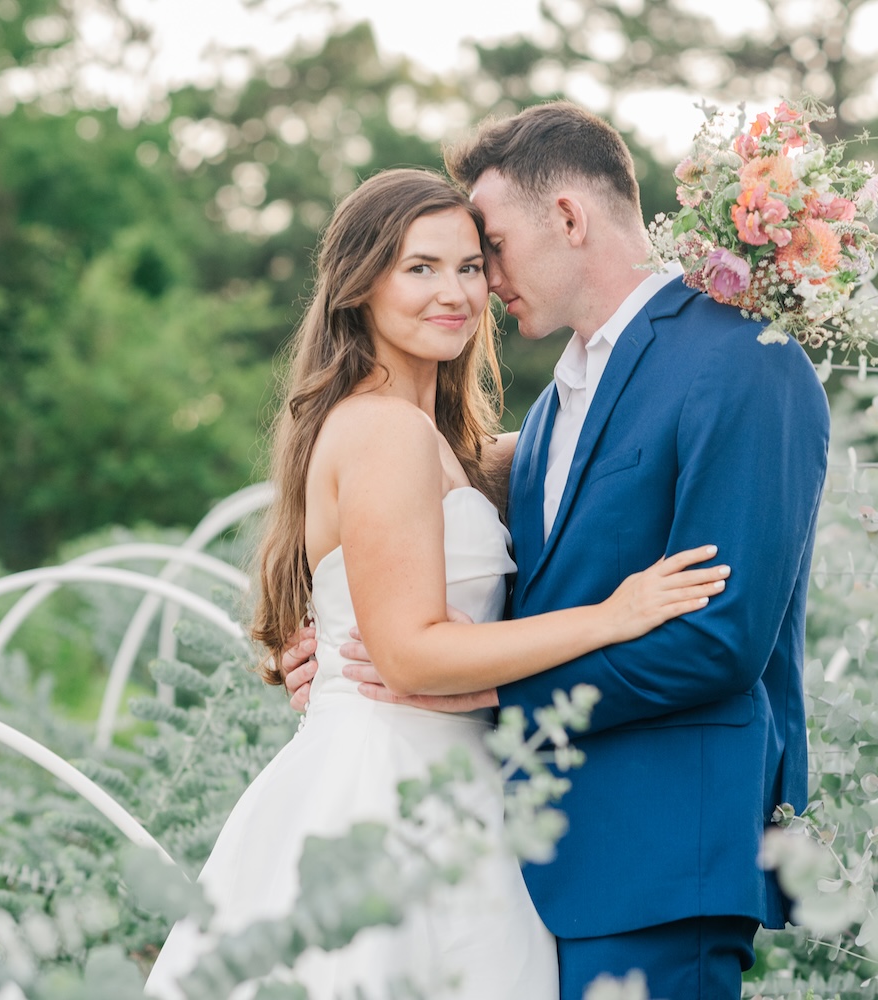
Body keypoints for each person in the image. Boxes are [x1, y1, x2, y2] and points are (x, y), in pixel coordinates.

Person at [282, 104, 831, 1000]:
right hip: (525, 858)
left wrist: (476, 688)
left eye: (487, 248)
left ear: (569, 218)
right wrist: (333, 650)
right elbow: (427, 554)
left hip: (659, 857)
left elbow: (718, 642)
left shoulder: (742, 362)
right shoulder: (545, 416)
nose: (480, 282)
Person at [143, 167, 730, 1000]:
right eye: (419, 267)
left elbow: (573, 446)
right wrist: (614, 616)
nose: (455, 292)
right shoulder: (383, 432)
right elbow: (413, 655)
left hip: (447, 781)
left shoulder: (447, 446)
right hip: (390, 788)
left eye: (469, 266)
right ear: (360, 285)